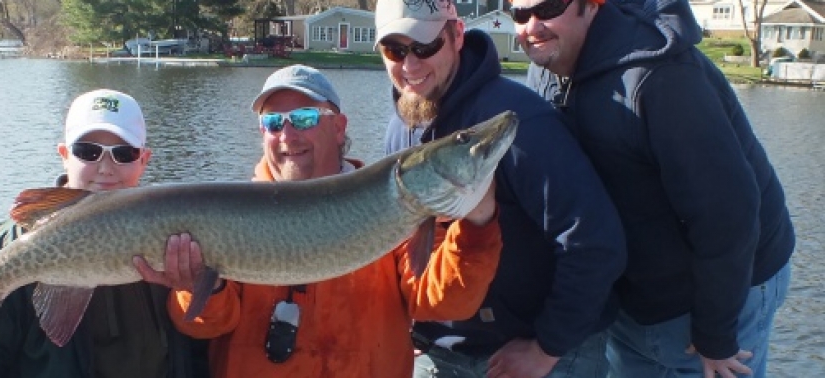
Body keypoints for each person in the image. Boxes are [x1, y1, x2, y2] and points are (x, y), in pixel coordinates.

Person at [134, 64, 503, 378]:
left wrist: (478, 224)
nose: (287, 135)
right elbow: (206, 325)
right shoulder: (227, 212)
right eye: (273, 122)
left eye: (305, 118)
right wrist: (199, 287)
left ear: (339, 127)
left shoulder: (394, 202)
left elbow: (443, 303)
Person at [511, 0, 795, 376]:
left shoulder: (661, 77)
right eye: (519, 13)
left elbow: (729, 214)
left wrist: (716, 332)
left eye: (548, 7)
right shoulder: (546, 71)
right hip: (642, 301)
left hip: (728, 287)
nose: (532, 26)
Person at [374, 0, 628, 377]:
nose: (410, 66)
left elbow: (594, 243)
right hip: (443, 351)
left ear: (457, 36)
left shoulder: (521, 124)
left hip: (542, 352)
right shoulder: (401, 129)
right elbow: (406, 245)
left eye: (425, 47)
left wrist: (546, 348)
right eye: (396, 50)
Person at [0, 89, 209, 378]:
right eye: (88, 151)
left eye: (123, 153)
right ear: (64, 155)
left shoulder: (177, 239)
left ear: (143, 160)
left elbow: (199, 352)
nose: (105, 168)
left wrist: (199, 288)